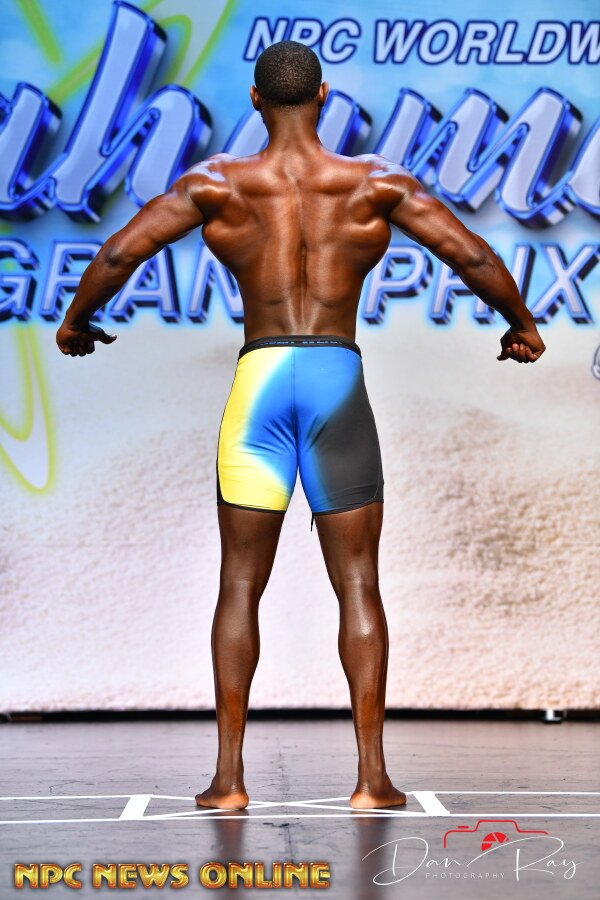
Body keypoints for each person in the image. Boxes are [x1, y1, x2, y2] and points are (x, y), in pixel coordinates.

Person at [56, 40, 545, 811]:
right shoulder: (375, 182)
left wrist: (77, 320)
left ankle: (228, 782)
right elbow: (471, 256)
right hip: (335, 382)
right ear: (323, 96)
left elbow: (120, 254)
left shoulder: (217, 183)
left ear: (255, 100)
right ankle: (372, 780)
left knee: (238, 584)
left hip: (259, 383)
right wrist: (520, 322)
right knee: (358, 584)